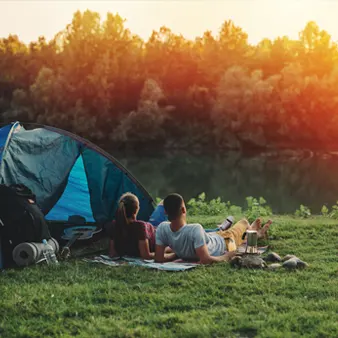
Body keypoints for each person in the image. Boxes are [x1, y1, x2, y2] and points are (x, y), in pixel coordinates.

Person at [155, 193, 272, 264]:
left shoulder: (162, 228)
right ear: (184, 210)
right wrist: (227, 256)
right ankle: (254, 233)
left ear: (165, 212)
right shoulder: (195, 229)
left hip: (213, 238)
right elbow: (205, 260)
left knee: (220, 233)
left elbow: (158, 259)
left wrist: (178, 255)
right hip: (225, 241)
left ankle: (251, 233)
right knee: (243, 222)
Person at [107, 193, 175, 260]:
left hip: (152, 229)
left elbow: (112, 254)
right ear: (137, 209)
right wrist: (173, 255)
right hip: (159, 235)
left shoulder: (114, 225)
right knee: (168, 200)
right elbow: (146, 256)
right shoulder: (140, 227)